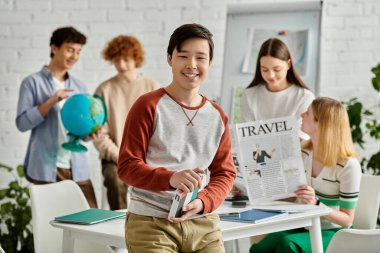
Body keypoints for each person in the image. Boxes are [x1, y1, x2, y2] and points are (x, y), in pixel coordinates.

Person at [118, 23, 236, 252]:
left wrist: (203, 202)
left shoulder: (217, 116)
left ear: (210, 63)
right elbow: (126, 166)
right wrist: (171, 178)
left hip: (204, 223)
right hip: (150, 224)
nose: (192, 65)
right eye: (183, 56)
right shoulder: (147, 105)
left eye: (200, 58)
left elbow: (225, 173)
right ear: (169, 58)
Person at [250, 97, 362, 253]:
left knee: (287, 245)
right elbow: (290, 197)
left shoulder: (348, 165)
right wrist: (254, 186)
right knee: (260, 248)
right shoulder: (303, 152)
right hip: (304, 224)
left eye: (308, 113)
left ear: (320, 123)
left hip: (335, 232)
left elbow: (347, 220)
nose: (302, 114)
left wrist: (316, 204)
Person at [16, 26, 98, 208]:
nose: (74, 56)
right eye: (70, 50)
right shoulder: (32, 83)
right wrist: (51, 101)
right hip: (45, 168)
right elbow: (21, 123)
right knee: (50, 227)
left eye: (78, 52)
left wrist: (89, 135)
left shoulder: (79, 86)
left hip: (77, 167)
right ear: (54, 48)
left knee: (92, 218)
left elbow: (80, 130)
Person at [93, 35, 160, 210]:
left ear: (136, 59)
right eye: (117, 60)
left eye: (126, 60)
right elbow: (100, 134)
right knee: (114, 180)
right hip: (115, 157)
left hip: (148, 156)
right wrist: (120, 156)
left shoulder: (152, 87)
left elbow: (162, 126)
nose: (121, 65)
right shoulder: (104, 90)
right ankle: (120, 225)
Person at [240, 38, 315, 139]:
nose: (271, 75)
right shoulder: (249, 95)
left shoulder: (304, 96)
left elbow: (302, 138)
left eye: (277, 69)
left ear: (288, 64)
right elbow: (246, 138)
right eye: (265, 70)